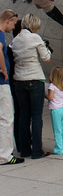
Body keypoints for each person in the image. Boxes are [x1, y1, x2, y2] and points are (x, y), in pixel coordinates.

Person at [10, 13, 52, 159]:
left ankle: (25, 149)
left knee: (24, 116)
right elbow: (46, 58)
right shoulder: (35, 37)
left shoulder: (15, 39)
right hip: (34, 77)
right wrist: (47, 48)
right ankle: (37, 150)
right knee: (36, 116)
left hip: (19, 80)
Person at [0, 10, 24, 165]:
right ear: (9, 20)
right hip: (2, 83)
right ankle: (5, 156)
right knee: (6, 118)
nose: (14, 26)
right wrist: (3, 68)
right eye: (14, 23)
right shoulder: (0, 34)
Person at [45, 66, 63, 155]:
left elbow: (51, 98)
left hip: (56, 110)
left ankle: (59, 148)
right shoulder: (62, 86)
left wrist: (45, 95)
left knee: (57, 130)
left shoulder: (52, 86)